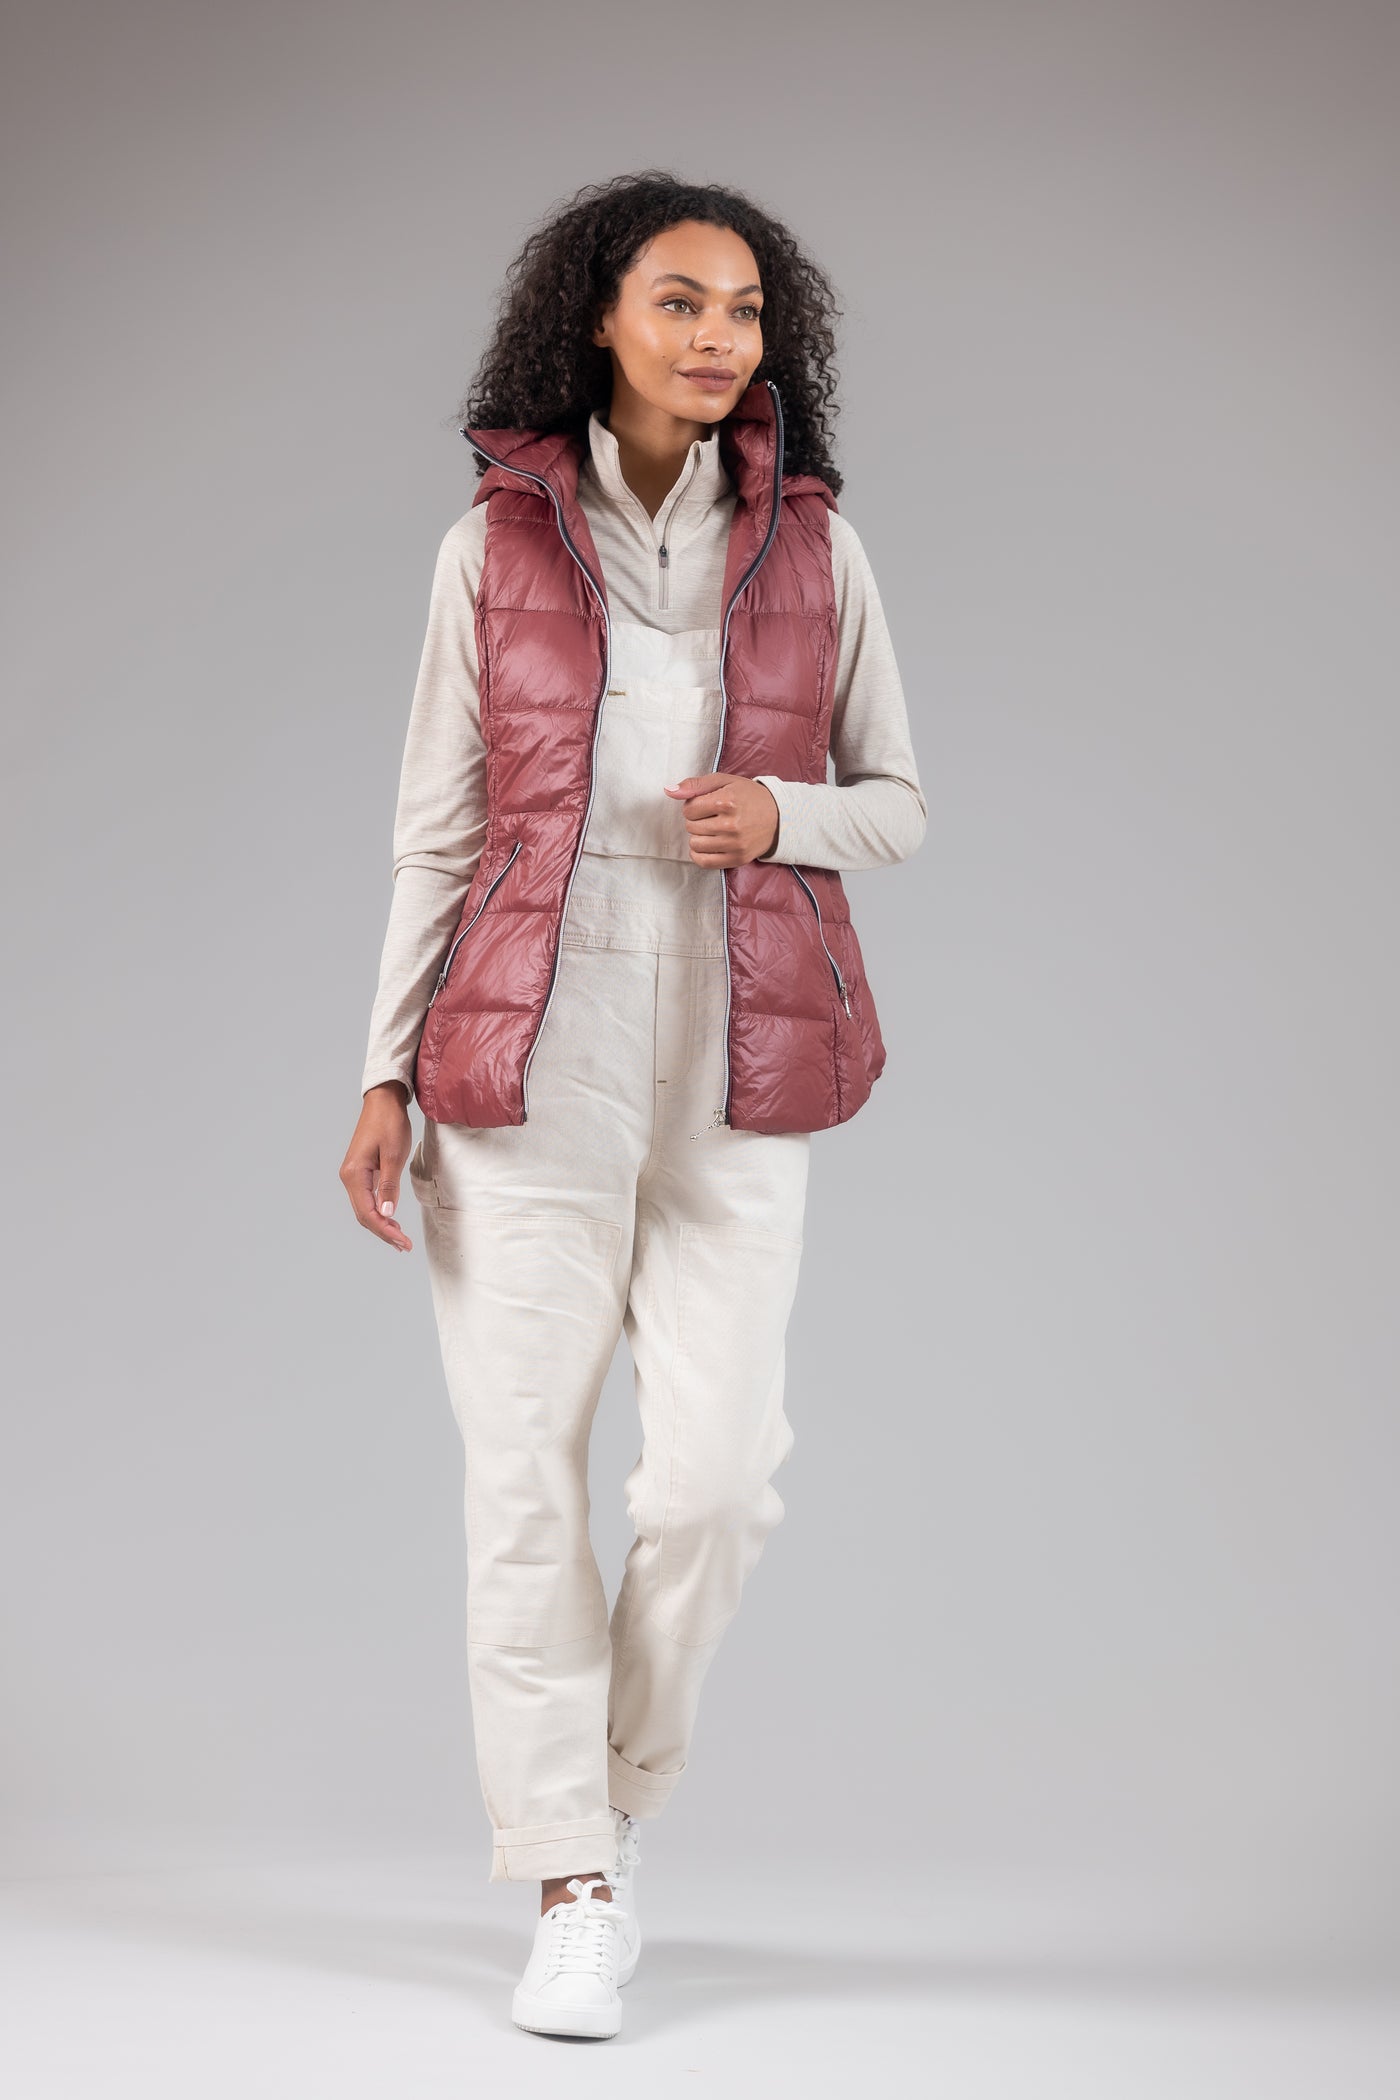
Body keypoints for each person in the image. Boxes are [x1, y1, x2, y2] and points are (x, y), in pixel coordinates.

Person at [341, 170, 927, 2041]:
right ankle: (573, 1883)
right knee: (525, 1479)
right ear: (598, 316)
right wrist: (381, 1067)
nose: (716, 338)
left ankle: (605, 1789)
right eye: (680, 301)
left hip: (741, 1067)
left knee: (716, 1484)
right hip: (526, 1063)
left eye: (744, 310)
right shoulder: (491, 547)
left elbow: (899, 802)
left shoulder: (814, 551)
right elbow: (439, 831)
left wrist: (786, 815)